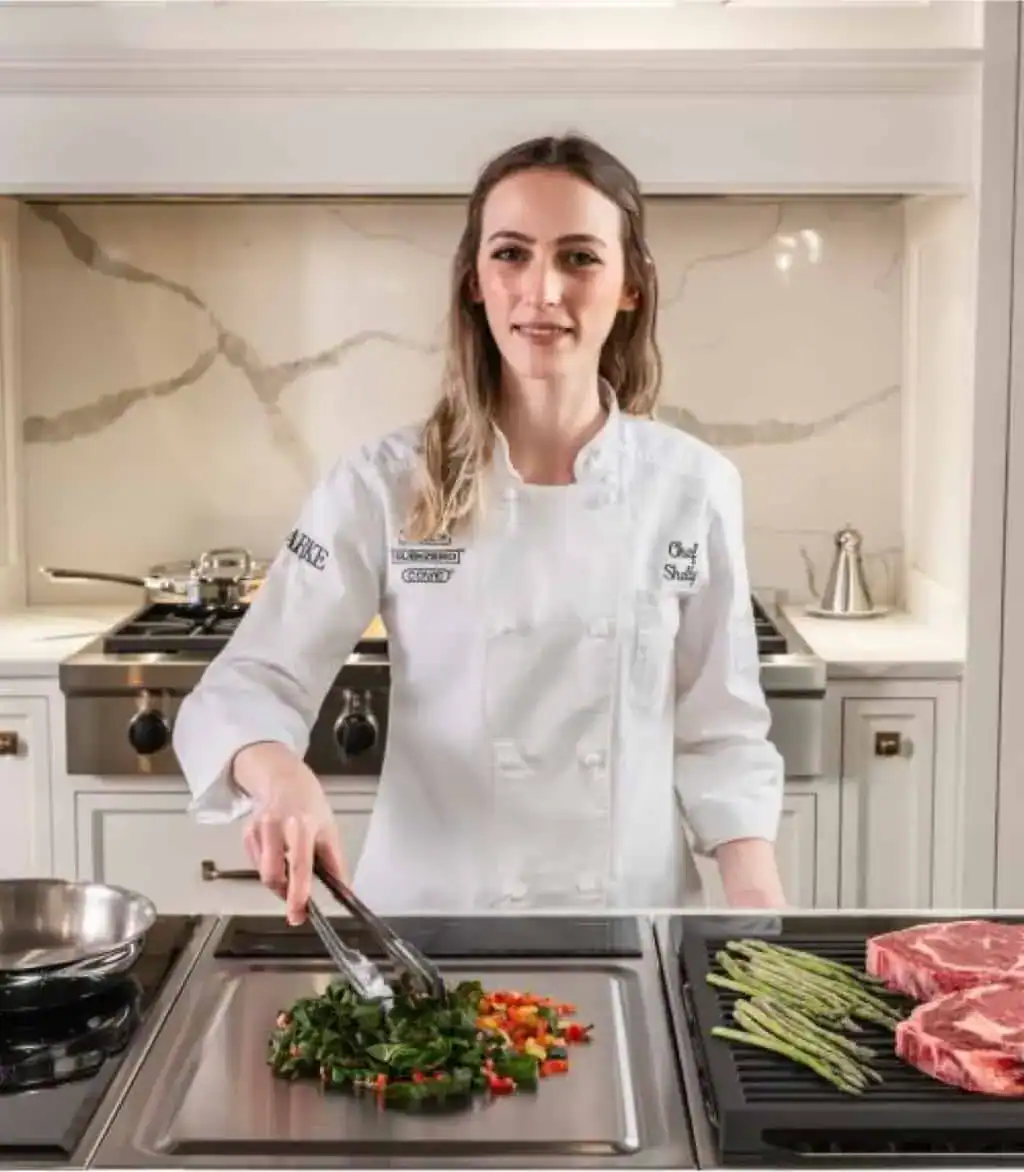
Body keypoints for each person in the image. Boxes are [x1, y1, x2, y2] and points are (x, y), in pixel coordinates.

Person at [173, 133, 787, 924]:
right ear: (474, 280)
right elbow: (249, 683)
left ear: (631, 284)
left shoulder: (693, 487)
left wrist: (759, 906)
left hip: (634, 927)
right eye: (511, 254)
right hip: (434, 935)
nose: (543, 291)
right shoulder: (383, 482)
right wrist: (276, 771)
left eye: (579, 257)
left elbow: (723, 733)